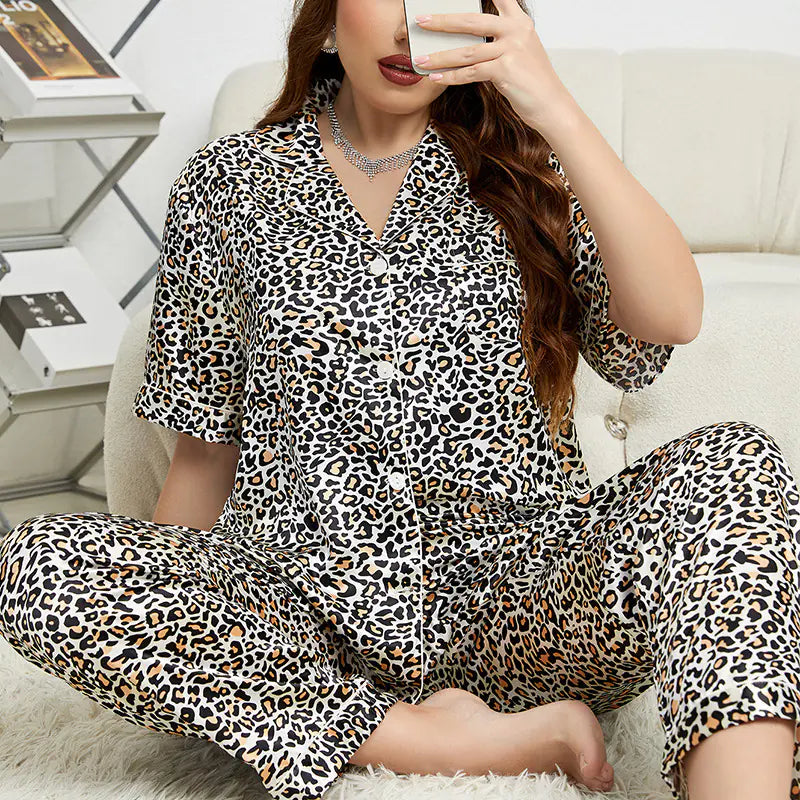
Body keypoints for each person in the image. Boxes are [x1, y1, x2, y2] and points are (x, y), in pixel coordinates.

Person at [1, 2, 799, 799]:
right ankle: (442, 740)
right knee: (35, 560)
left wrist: (551, 102)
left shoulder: (532, 167)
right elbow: (203, 456)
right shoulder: (228, 185)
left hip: (523, 611)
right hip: (305, 620)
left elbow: (671, 318)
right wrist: (175, 631)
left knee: (735, 465)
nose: (408, 27)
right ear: (328, 15)